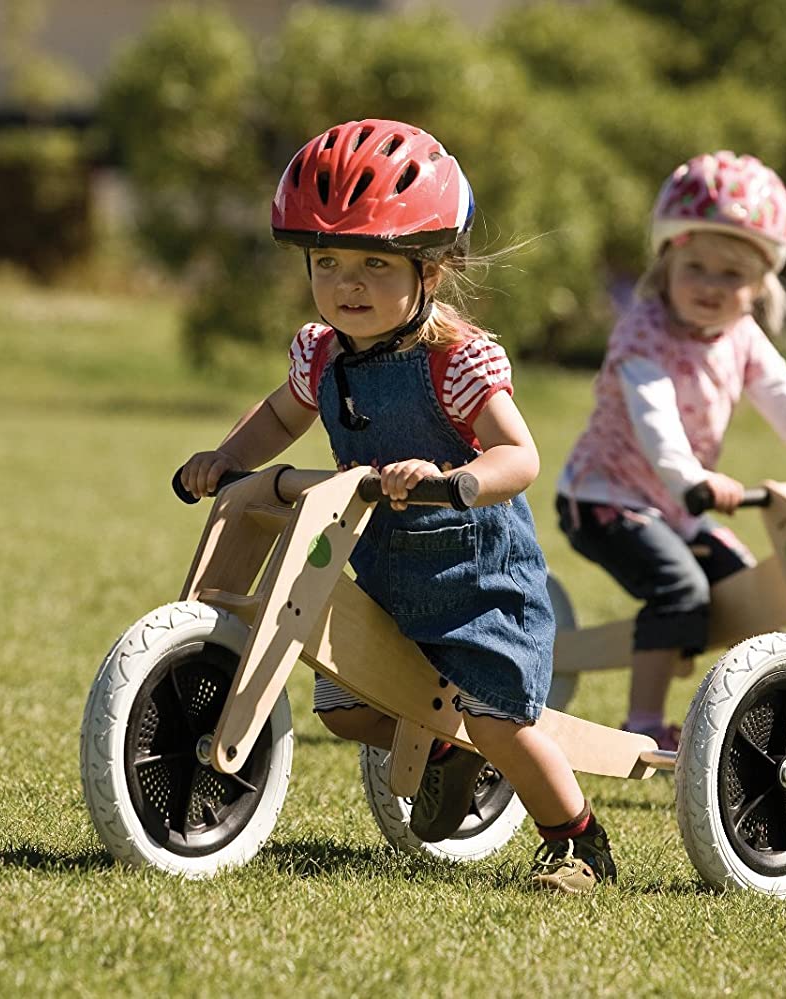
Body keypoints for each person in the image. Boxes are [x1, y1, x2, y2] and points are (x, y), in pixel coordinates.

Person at [180, 119, 615, 893]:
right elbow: (281, 415)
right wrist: (227, 456)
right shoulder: (320, 353)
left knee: (499, 723)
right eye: (328, 262)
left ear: (431, 271)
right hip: (383, 572)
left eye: (375, 264)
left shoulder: (455, 361)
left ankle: (577, 842)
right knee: (345, 708)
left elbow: (520, 455)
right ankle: (445, 748)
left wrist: (460, 478)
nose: (347, 284)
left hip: (479, 584)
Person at [555, 151, 786, 752]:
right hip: (603, 498)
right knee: (680, 589)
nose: (710, 285)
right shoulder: (644, 332)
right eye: (696, 267)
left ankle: (749, 716)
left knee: (742, 588)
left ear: (761, 286)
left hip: (676, 506)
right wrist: (691, 479)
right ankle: (643, 724)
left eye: (731, 274)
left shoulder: (742, 338)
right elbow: (654, 415)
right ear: (666, 263)